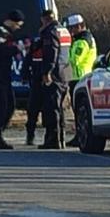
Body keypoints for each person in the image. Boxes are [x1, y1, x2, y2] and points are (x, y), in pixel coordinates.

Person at [0, 11, 25, 150]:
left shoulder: (5, 33)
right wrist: (15, 49)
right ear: (11, 21)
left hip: (4, 74)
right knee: (1, 106)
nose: (18, 28)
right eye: (17, 25)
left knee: (10, 105)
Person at [30, 9, 66, 150]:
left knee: (51, 108)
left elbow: (52, 53)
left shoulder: (50, 32)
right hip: (64, 73)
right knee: (59, 108)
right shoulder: (63, 30)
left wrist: (47, 72)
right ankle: (60, 138)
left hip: (54, 74)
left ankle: (53, 139)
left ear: (45, 19)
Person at [65, 13, 97, 147]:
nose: (71, 31)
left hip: (79, 77)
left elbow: (75, 60)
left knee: (79, 110)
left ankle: (81, 136)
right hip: (81, 77)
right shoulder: (86, 38)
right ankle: (79, 135)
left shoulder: (82, 41)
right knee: (78, 110)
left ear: (79, 26)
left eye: (72, 28)